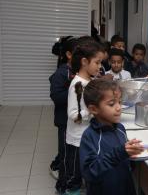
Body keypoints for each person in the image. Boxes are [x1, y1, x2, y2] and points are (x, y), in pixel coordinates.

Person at [80, 79, 144, 195]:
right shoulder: (90, 136)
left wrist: (132, 154)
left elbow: (125, 162)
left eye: (120, 102)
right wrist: (119, 153)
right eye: (111, 104)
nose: (119, 107)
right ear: (94, 109)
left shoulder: (120, 129)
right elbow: (89, 172)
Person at [64, 37, 104, 195]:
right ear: (84, 62)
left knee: (88, 173)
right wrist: (93, 111)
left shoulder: (90, 81)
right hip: (77, 140)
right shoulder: (78, 84)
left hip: (87, 137)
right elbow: (73, 114)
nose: (100, 66)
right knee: (76, 177)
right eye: (97, 62)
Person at [49, 36, 77, 193]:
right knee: (66, 156)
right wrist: (75, 90)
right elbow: (56, 97)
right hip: (65, 122)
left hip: (76, 122)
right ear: (69, 54)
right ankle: (62, 185)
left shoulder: (80, 72)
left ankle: (74, 183)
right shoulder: (61, 73)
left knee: (74, 156)